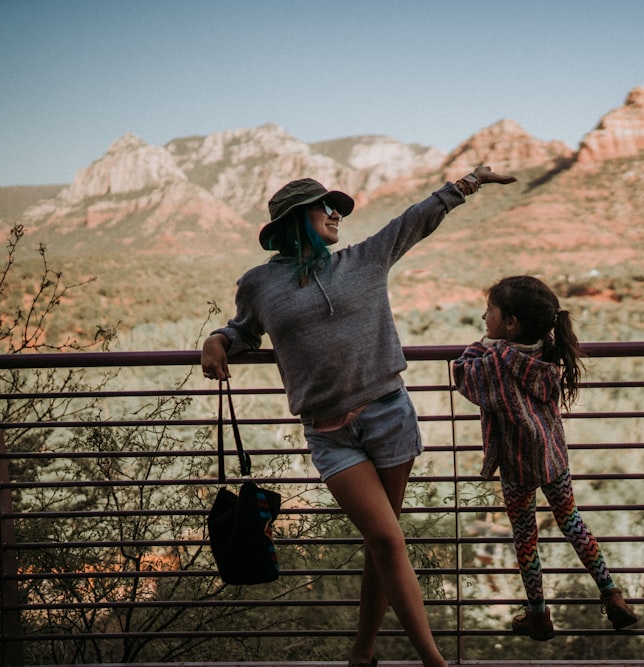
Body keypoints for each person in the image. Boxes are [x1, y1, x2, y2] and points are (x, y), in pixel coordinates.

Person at [201, 166, 517, 667]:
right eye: (324, 207)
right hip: (330, 434)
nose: (335, 215)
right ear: (293, 219)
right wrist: (216, 339)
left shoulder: (365, 259)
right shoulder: (258, 284)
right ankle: (434, 661)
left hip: (389, 414)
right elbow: (244, 331)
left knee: (381, 541)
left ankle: (363, 651)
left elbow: (416, 220)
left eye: (336, 209)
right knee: (387, 538)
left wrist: (467, 184)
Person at [452, 275, 638, 641]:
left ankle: (538, 614)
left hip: (518, 464)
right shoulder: (547, 350)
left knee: (525, 536)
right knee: (572, 523)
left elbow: (462, 373)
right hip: (554, 456)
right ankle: (611, 592)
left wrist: (484, 344)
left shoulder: (496, 362)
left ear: (511, 323)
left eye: (490, 311)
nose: (483, 316)